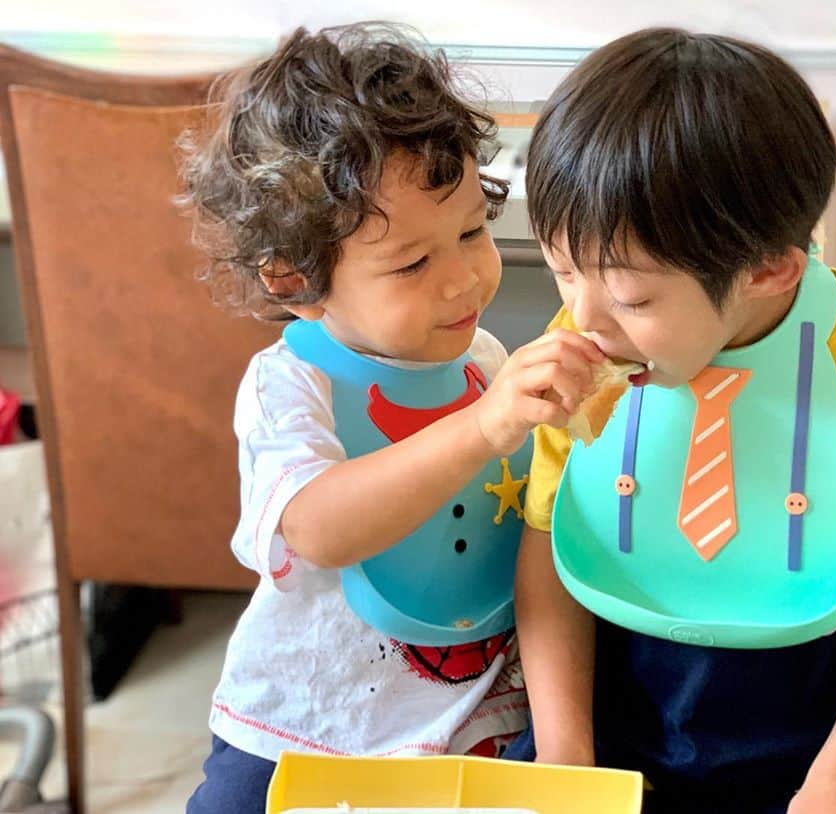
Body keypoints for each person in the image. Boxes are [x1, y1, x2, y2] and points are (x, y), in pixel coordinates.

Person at [508, 27, 836, 814]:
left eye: (634, 297)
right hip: (599, 731)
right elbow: (550, 536)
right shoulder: (578, 340)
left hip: (807, 752)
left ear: (771, 267)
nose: (583, 317)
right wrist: (566, 748)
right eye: (562, 268)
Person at [179, 23, 601, 814]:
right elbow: (318, 527)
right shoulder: (287, 384)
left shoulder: (484, 359)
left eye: (472, 230)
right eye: (412, 262)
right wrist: (483, 428)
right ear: (295, 278)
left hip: (475, 706)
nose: (465, 278)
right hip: (311, 720)